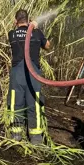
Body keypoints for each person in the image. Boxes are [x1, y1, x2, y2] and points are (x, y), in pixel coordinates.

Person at [6, 9, 50, 145]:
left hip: (17, 73)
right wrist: (35, 28)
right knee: (34, 102)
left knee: (16, 101)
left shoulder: (12, 34)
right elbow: (48, 46)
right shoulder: (36, 33)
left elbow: (19, 35)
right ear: (29, 20)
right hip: (33, 73)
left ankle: (16, 135)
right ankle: (36, 137)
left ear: (15, 21)